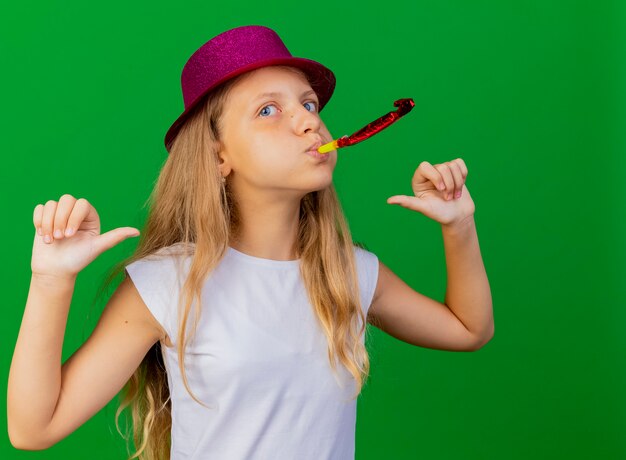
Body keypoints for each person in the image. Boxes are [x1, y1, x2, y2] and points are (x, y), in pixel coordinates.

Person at [7, 25, 493, 460]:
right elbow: (33, 430)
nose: (309, 122)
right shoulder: (167, 284)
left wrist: (459, 225)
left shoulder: (349, 272)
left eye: (308, 104)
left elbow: (469, 330)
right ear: (219, 155)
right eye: (268, 110)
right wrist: (50, 280)